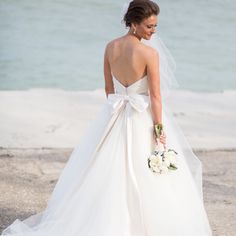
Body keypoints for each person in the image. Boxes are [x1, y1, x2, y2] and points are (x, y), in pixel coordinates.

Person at [1, 0, 213, 235]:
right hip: (140, 115)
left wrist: (115, 113)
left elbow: (109, 90)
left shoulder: (110, 47)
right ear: (133, 24)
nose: (154, 31)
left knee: (105, 171)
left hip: (115, 114)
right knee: (149, 174)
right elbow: (155, 96)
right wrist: (159, 130)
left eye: (155, 26)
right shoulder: (149, 54)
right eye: (149, 26)